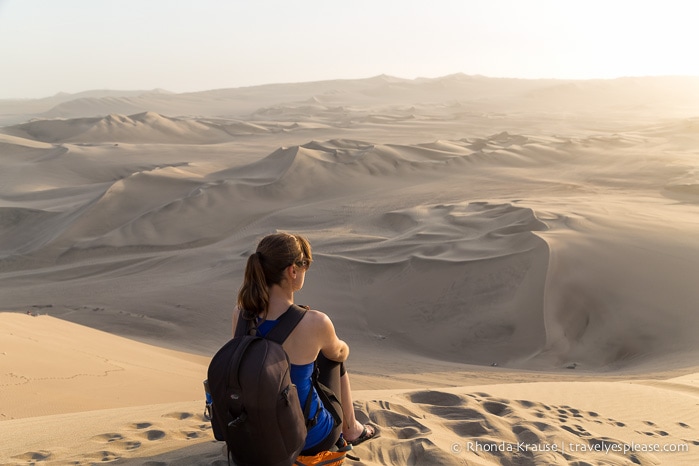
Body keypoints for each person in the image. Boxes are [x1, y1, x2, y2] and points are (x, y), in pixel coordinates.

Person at [232, 232, 376, 455]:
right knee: (332, 359)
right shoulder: (315, 322)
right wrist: (333, 343)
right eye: (305, 265)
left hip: (254, 434)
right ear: (293, 270)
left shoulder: (240, 314)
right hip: (307, 440)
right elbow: (340, 353)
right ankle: (352, 429)